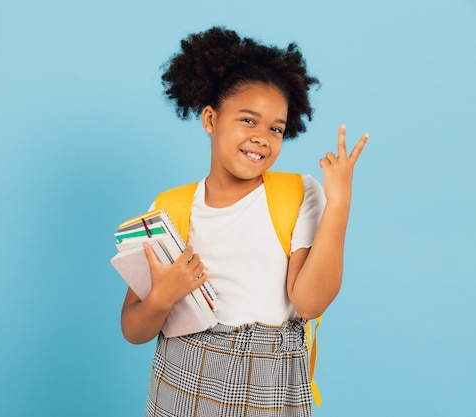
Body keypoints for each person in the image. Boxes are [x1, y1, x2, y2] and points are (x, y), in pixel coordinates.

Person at [120, 26, 368, 417]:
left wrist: (339, 204)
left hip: (274, 374)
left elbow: (310, 302)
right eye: (248, 120)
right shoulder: (169, 207)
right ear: (210, 119)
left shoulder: (298, 193)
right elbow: (133, 329)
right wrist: (164, 294)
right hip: (184, 371)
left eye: (276, 128)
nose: (263, 137)